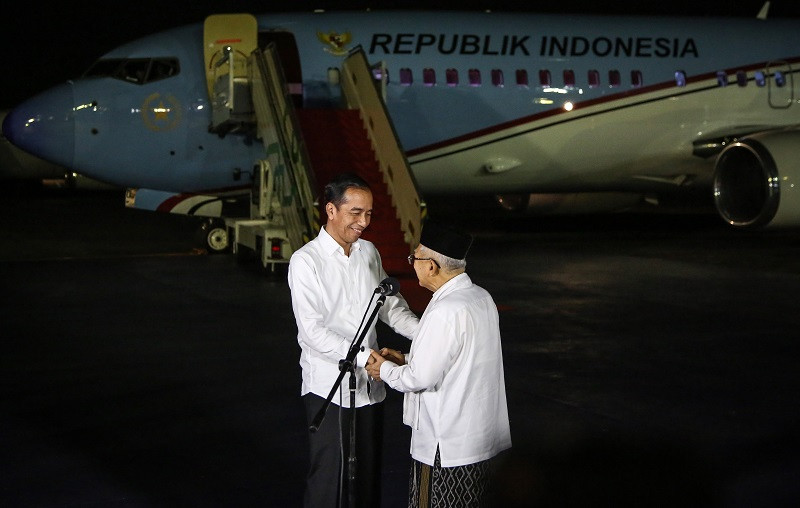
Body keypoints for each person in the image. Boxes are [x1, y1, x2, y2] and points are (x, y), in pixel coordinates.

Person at [287, 172, 419, 508]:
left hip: (371, 388)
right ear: (331, 210)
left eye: (369, 214)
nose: (363, 222)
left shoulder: (369, 252)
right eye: (355, 213)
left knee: (368, 479)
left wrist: (427, 332)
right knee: (329, 481)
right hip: (329, 388)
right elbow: (312, 332)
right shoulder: (306, 261)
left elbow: (388, 306)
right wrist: (364, 358)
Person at [366, 221, 512, 508]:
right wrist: (405, 358)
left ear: (431, 265)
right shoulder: (480, 297)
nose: (413, 264)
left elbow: (420, 378)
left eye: (415, 258)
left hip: (445, 445)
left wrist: (383, 369)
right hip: (479, 439)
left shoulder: (446, 309)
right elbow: (459, 358)